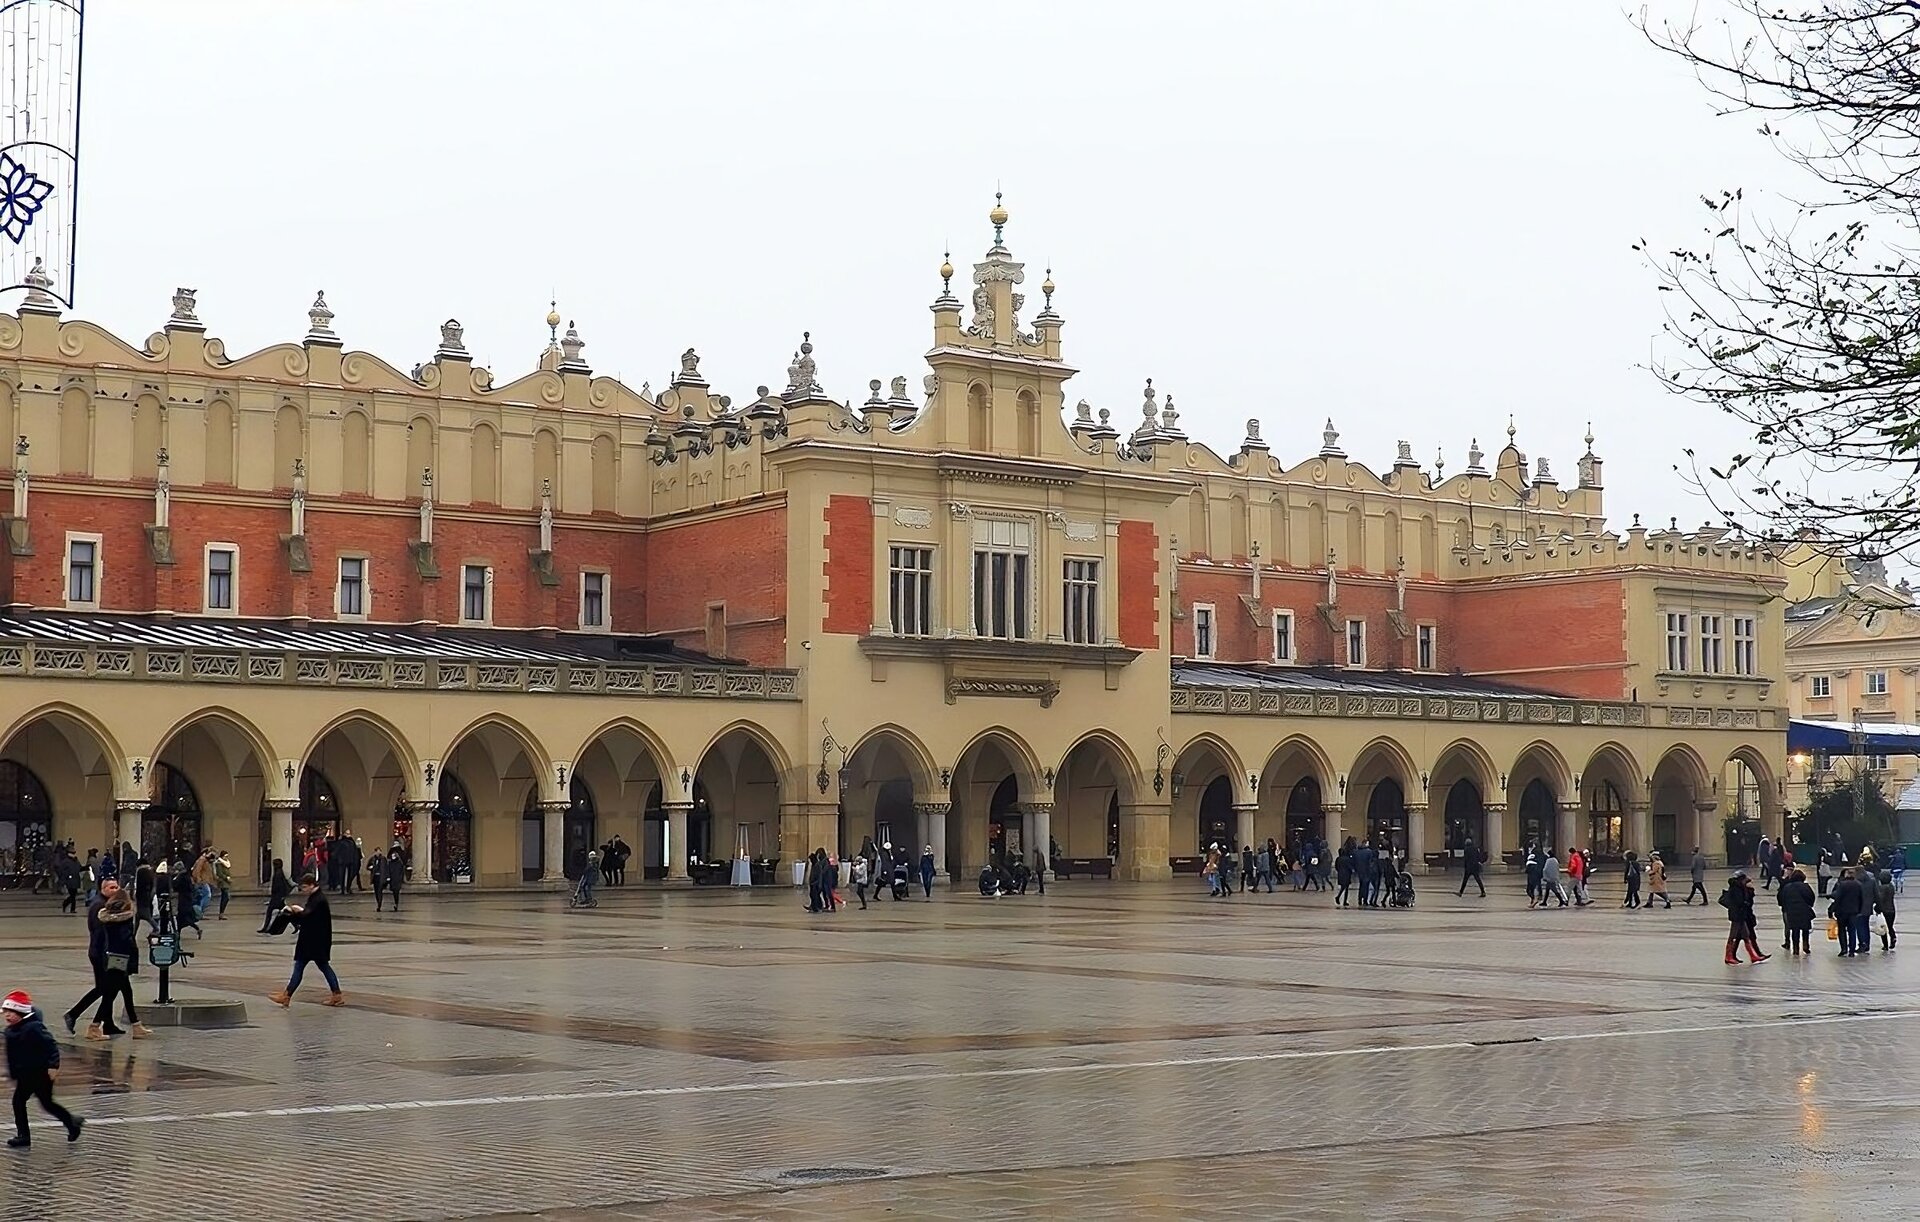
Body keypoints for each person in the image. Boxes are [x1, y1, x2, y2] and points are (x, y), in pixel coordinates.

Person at [63, 879, 144, 1040]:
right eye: (111, 887)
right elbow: (100, 934)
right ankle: (76, 1016)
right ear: (103, 889)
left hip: (108, 955)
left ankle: (113, 1024)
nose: (115, 889)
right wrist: (105, 957)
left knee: (116, 990)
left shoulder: (111, 906)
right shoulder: (101, 906)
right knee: (107, 990)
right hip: (103, 955)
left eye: (116, 887)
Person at [4, 991, 82, 1149]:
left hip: (39, 1072)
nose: (7, 1016)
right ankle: (72, 1122)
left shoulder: (34, 1027)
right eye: (5, 1012)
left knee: (22, 1102)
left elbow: (51, 1045)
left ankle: (24, 1136)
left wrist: (53, 1066)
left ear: (21, 1012)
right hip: (25, 1073)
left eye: (10, 1012)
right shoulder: (11, 1030)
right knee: (45, 1103)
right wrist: (13, 1073)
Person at [269, 875, 343, 1008]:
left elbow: (308, 916)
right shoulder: (316, 898)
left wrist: (298, 911)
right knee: (322, 967)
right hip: (315, 941)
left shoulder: (319, 899)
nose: (303, 890)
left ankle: (287, 996)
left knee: (301, 966)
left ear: (311, 885)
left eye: (304, 887)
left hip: (313, 941)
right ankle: (336, 995)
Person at [1719, 870, 1768, 964]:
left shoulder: (1741, 887)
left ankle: (1753, 956)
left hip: (1741, 915)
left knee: (1746, 936)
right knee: (1732, 936)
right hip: (1736, 915)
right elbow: (1739, 901)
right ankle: (1728, 956)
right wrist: (1744, 903)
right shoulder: (1735, 888)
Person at [1829, 866, 1867, 957]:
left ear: (1847, 875)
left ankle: (1844, 949)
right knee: (1852, 931)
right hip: (1854, 911)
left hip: (1842, 912)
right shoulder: (1858, 884)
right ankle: (1852, 951)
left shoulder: (1842, 885)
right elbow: (1861, 898)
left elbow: (1838, 898)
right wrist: (1860, 909)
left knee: (1842, 931)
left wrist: (1833, 909)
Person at [1777, 868, 1817, 955]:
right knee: (1805, 929)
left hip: (1791, 911)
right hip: (1804, 910)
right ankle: (1806, 946)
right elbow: (1811, 897)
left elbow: (1782, 897)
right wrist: (1809, 905)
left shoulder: (1787, 887)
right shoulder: (1806, 886)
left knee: (1795, 930)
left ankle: (1796, 949)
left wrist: (1785, 907)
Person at [259, 858, 293, 933]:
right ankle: (296, 925)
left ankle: (265, 928)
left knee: (269, 912)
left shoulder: (278, 874)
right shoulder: (280, 872)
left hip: (277, 897)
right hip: (278, 897)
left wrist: (277, 895)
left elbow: (278, 887)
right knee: (285, 911)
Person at [1875, 869, 1898, 950]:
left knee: (1883, 927)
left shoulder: (1882, 888)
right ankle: (1893, 937)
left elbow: (1881, 898)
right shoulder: (1891, 886)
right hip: (1892, 909)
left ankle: (1885, 945)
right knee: (1890, 926)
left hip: (1884, 909)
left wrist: (1876, 906)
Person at [385, 844, 406, 911]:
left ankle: (396, 903)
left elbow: (401, 872)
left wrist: (400, 879)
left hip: (397, 880)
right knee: (394, 892)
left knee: (396, 892)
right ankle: (395, 903)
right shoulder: (390, 863)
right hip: (393, 879)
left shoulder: (399, 863)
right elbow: (388, 870)